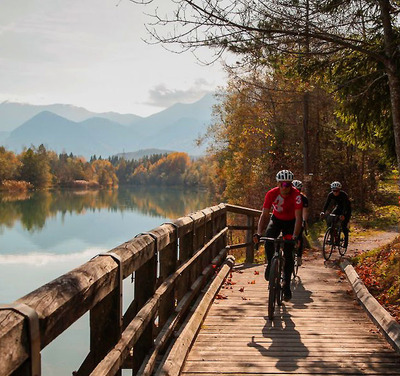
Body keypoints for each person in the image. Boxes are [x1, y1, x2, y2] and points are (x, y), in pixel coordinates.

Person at [253, 169, 303, 301]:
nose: (283, 187)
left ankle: (286, 284)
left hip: (290, 223)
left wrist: (295, 236)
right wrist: (258, 233)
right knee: (269, 239)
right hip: (276, 219)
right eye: (281, 184)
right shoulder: (271, 194)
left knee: (288, 253)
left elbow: (299, 218)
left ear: (291, 185)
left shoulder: (296, 195)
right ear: (277, 184)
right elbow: (264, 215)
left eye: (287, 184)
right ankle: (270, 263)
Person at [320, 181, 352, 248]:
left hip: (346, 209)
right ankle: (333, 238)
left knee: (343, 225)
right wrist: (323, 211)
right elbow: (327, 204)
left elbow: (345, 206)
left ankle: (345, 242)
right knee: (331, 219)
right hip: (338, 207)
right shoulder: (330, 194)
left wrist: (343, 215)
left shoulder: (344, 195)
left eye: (336, 191)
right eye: (333, 191)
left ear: (339, 190)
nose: (335, 192)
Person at [292, 180, 309, 266]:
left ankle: (299, 256)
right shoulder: (288, 196)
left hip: (299, 218)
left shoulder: (304, 198)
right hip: (290, 218)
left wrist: (304, 221)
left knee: (299, 237)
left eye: (298, 189)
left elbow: (305, 212)